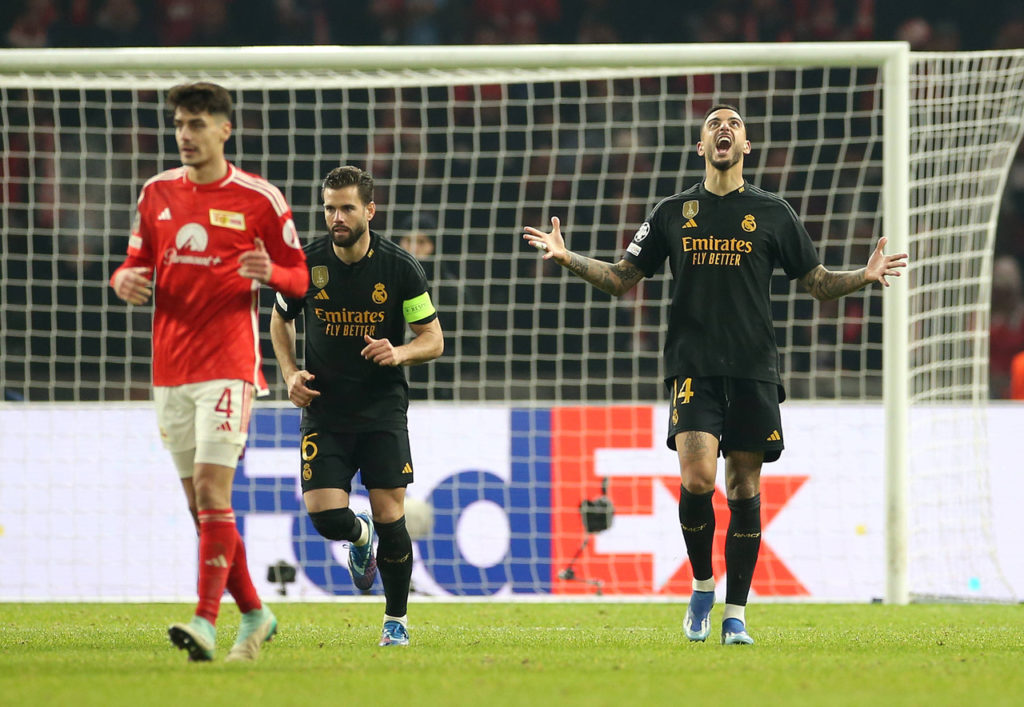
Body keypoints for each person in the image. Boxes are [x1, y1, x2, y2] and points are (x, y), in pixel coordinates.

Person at [523, 104, 907, 645]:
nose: (723, 129)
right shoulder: (672, 212)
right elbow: (621, 278)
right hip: (693, 367)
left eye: (734, 125)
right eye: (713, 125)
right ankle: (703, 585)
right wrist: (567, 257)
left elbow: (815, 281)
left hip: (754, 369)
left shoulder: (774, 213)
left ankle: (735, 615)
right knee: (699, 478)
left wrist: (862, 277)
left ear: (746, 146)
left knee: (743, 485)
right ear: (701, 146)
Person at [110, 81, 309, 662]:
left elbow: (301, 277)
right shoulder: (156, 193)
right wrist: (121, 279)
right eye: (179, 124)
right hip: (169, 367)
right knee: (202, 509)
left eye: (197, 124)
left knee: (210, 490)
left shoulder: (259, 199)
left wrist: (271, 270)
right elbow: (135, 262)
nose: (185, 135)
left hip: (228, 364)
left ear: (225, 129)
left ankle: (204, 621)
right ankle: (256, 612)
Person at [270, 165, 443, 647]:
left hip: (382, 409)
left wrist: (399, 352)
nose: (337, 217)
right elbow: (279, 322)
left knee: (392, 515)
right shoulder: (305, 264)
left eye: (347, 207)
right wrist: (288, 374)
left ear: (370, 209)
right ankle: (358, 535)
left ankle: (396, 621)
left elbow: (432, 339)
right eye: (330, 208)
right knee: (326, 518)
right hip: (324, 409)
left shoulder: (399, 268)